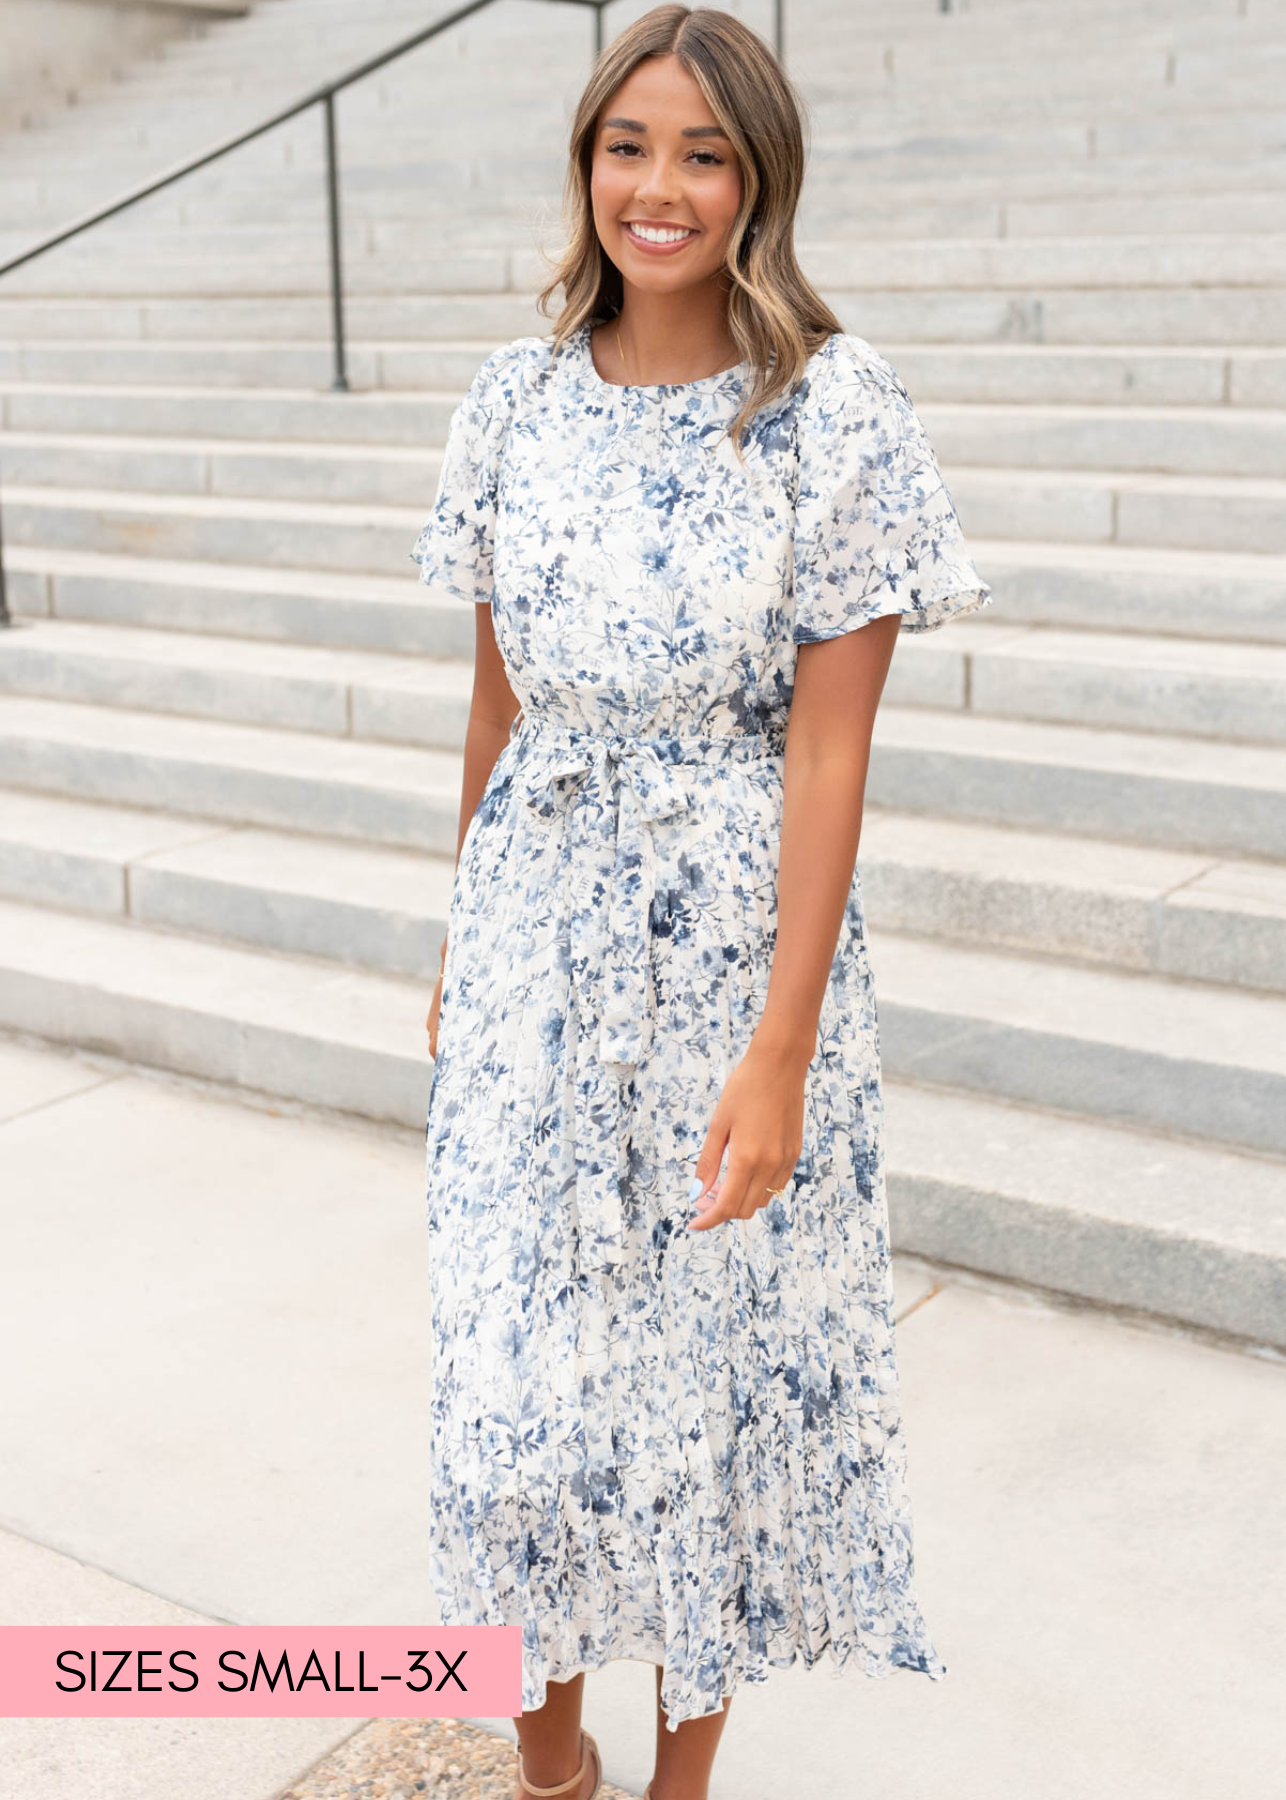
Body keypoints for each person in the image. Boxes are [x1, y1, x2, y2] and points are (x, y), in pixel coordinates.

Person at [411, 7, 991, 1798]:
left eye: (704, 153)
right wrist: (460, 942)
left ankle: (674, 1785)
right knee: (510, 1398)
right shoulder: (511, 398)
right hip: (532, 935)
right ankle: (547, 1765)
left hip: (729, 942)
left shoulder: (834, 409)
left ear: (760, 178)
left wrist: (781, 1052)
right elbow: (495, 705)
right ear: (585, 165)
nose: (658, 188)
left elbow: (829, 759)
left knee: (708, 1398)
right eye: (626, 146)